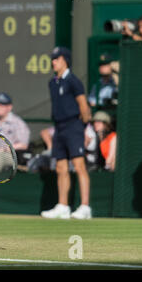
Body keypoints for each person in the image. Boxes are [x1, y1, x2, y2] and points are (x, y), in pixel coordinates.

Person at [41, 46, 93, 220]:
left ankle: (85, 207)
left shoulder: (74, 81)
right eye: (53, 59)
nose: (53, 62)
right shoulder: (52, 83)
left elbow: (84, 108)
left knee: (79, 166)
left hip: (74, 127)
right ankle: (63, 206)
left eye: (56, 59)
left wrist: (81, 128)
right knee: (61, 168)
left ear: (64, 60)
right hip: (59, 128)